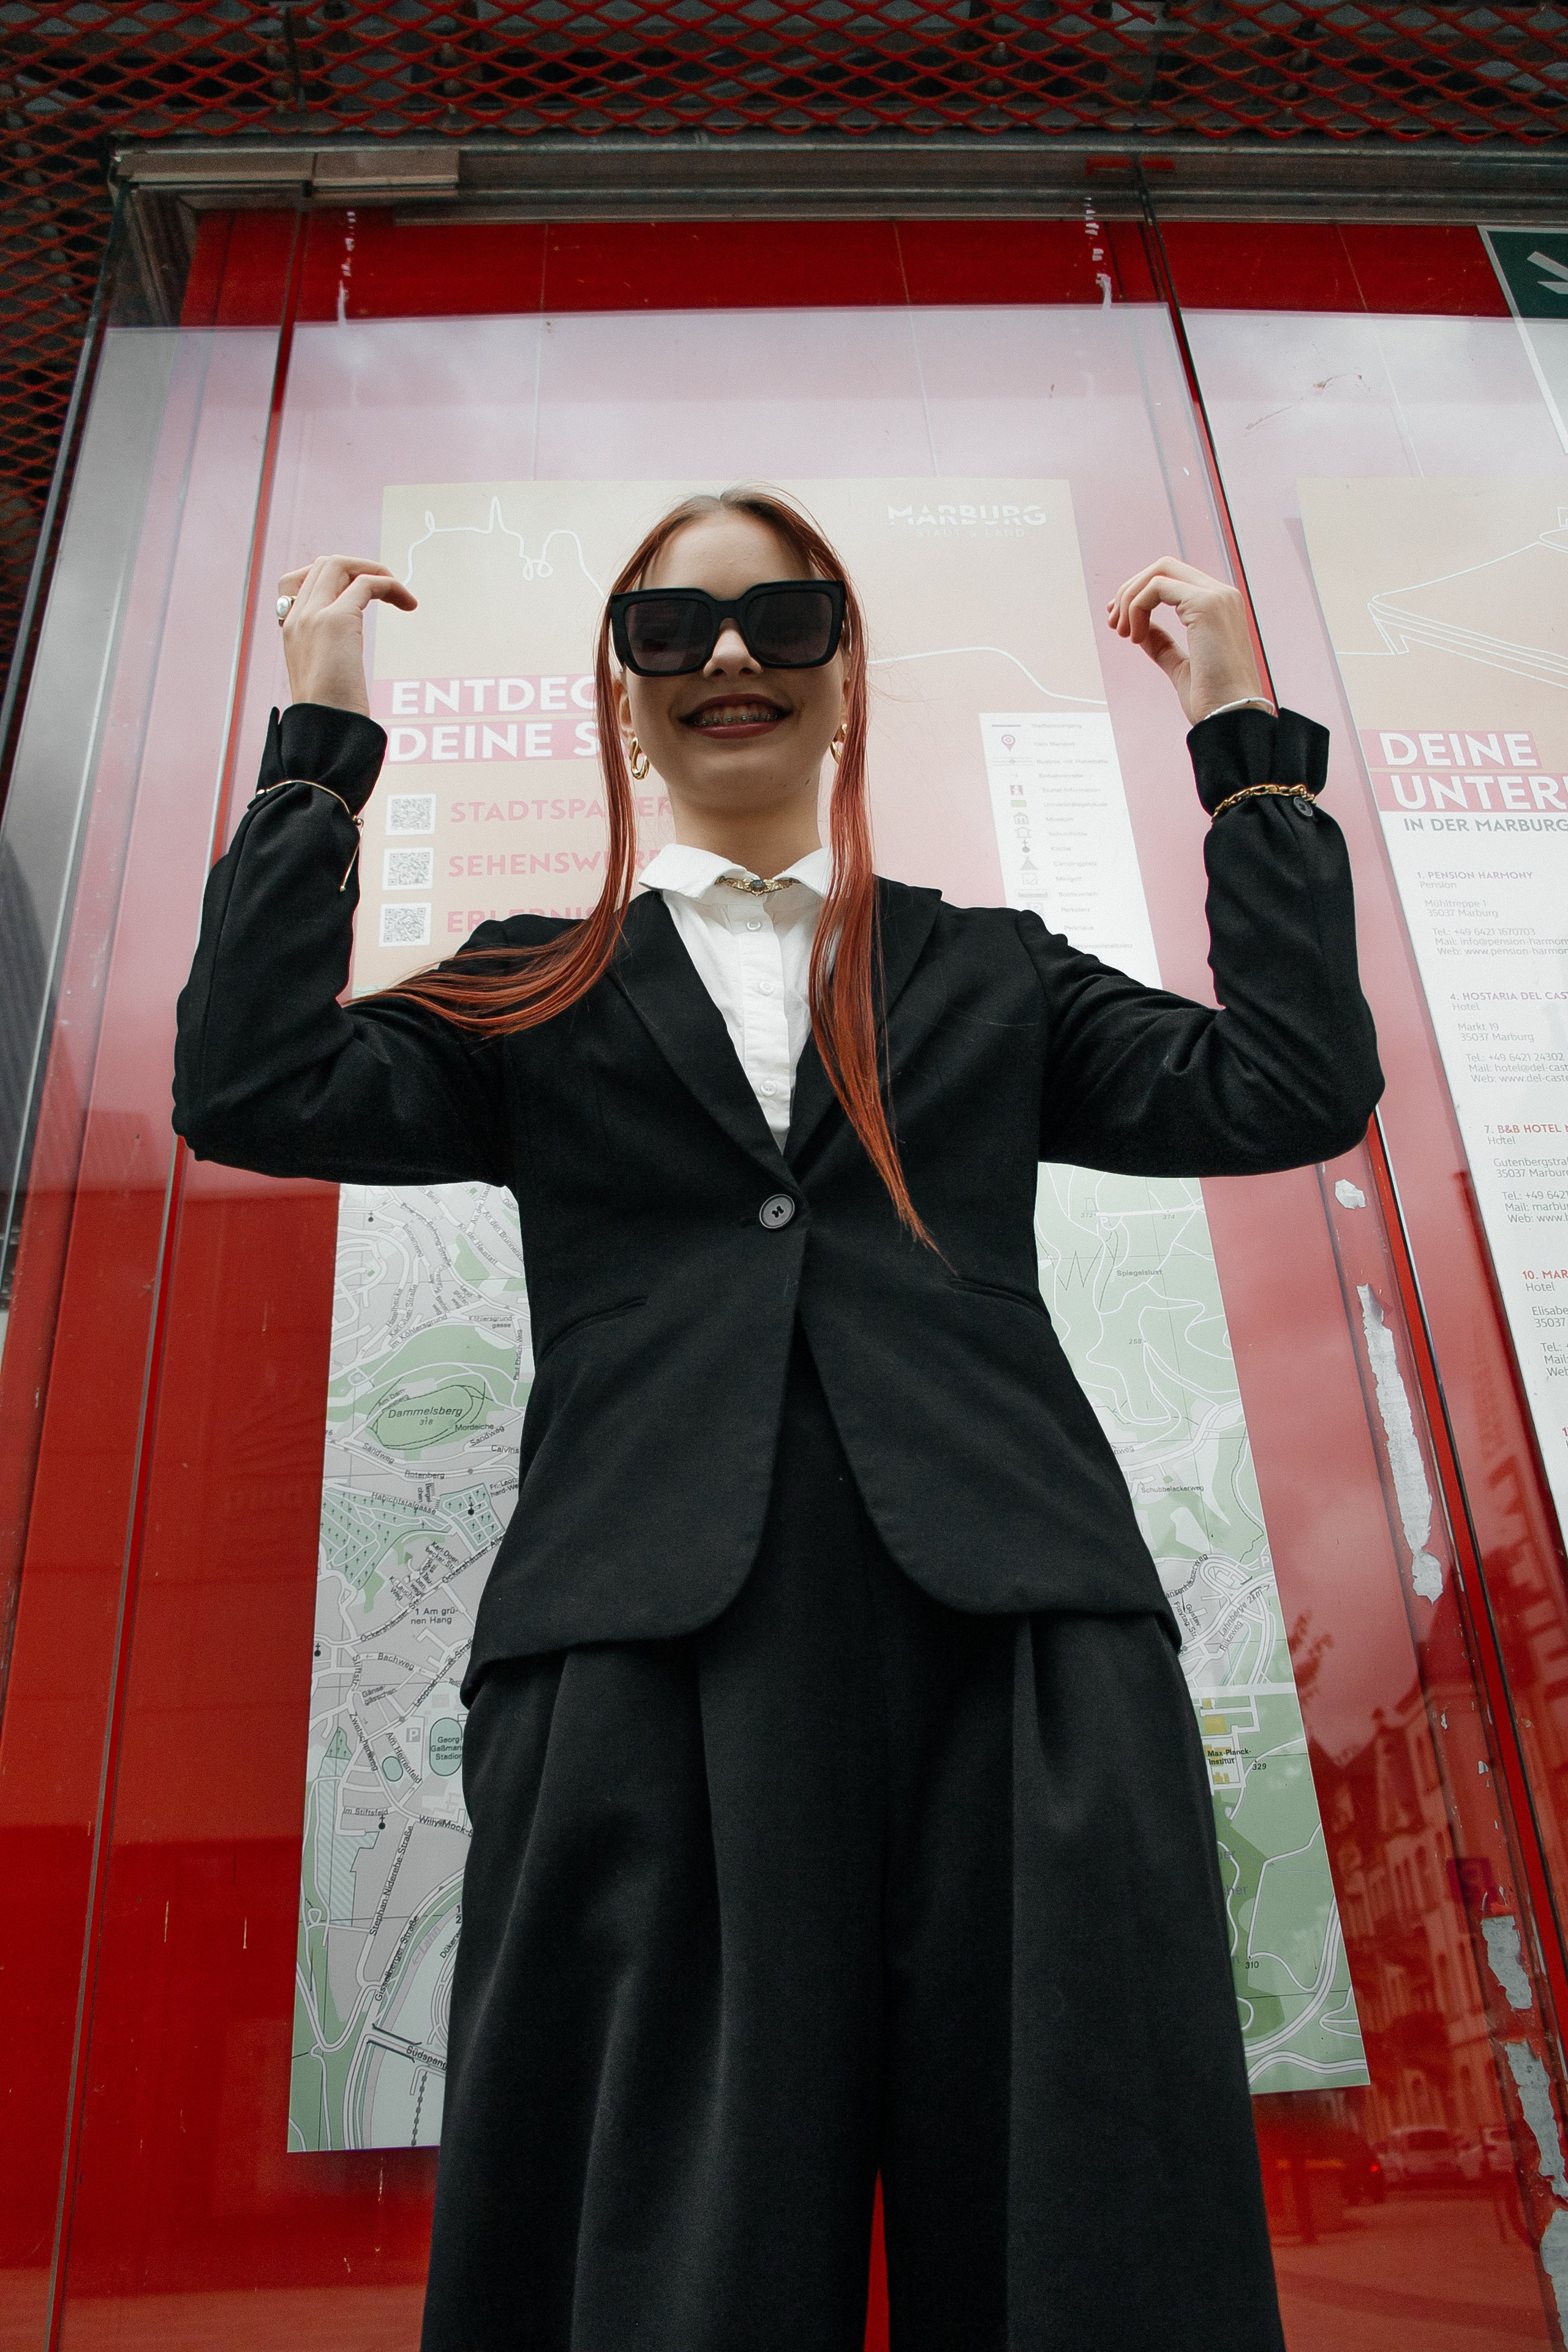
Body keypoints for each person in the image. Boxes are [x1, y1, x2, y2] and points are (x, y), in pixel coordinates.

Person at [174, 486, 1381, 2352]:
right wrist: (322, 753)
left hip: (1018, 1645)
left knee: (1088, 2224)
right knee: (667, 2245)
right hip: (642, 1655)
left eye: (784, 621)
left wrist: (1247, 752)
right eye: (672, 631)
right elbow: (252, 1084)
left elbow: (1285, 1085)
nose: (729, 656)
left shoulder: (986, 964)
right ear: (623, 699)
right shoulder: (529, 976)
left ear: (844, 679)